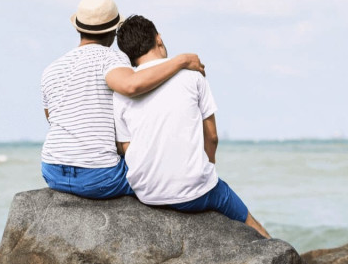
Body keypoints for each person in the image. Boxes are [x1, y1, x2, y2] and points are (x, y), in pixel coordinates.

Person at [112, 14, 270, 238]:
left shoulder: (121, 92)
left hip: (147, 194)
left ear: (129, 55)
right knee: (249, 222)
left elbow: (126, 147)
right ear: (158, 39)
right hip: (196, 192)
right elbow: (212, 136)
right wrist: (205, 169)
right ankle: (276, 250)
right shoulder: (192, 77)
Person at [41, 0, 205, 199]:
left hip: (52, 171)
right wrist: (182, 61)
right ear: (113, 32)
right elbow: (131, 85)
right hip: (99, 176)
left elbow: (52, 118)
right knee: (159, 179)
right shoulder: (111, 58)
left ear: (78, 28)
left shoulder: (51, 69)